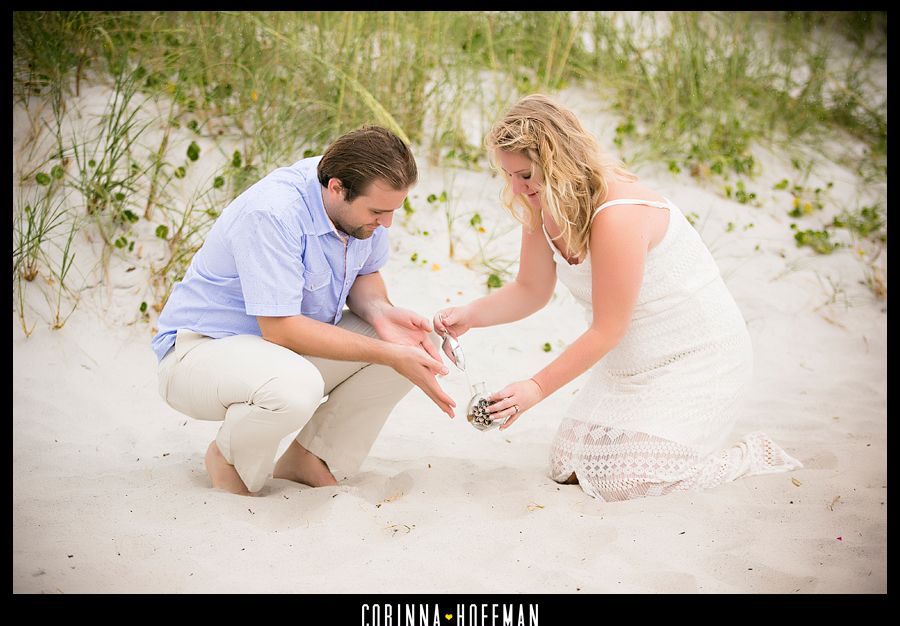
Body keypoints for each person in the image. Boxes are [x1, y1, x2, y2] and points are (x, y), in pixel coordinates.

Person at [434, 94, 801, 502]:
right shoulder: (542, 202)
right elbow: (530, 290)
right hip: (627, 365)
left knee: (624, 482)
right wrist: (470, 315)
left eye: (525, 175)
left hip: (697, 359)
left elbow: (608, 328)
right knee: (567, 467)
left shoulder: (618, 213)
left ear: (557, 162)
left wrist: (536, 388)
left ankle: (748, 455)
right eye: (509, 176)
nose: (518, 188)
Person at [153, 125, 455, 496]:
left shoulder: (360, 194)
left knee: (415, 344)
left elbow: (366, 274)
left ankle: (311, 459)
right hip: (199, 354)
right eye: (378, 212)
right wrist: (388, 353)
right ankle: (228, 458)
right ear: (336, 188)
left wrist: (380, 313)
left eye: (394, 210)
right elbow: (281, 330)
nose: (387, 223)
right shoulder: (274, 213)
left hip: (279, 353)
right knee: (301, 386)